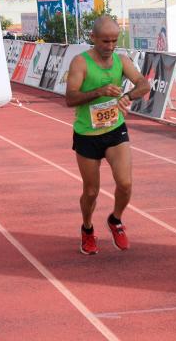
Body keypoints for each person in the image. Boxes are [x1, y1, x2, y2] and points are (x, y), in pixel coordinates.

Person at [66, 16, 150, 255]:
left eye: (114, 41)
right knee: (91, 191)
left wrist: (128, 96)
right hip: (87, 134)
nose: (110, 46)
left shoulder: (121, 61)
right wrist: (99, 91)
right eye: (105, 41)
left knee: (125, 183)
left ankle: (115, 220)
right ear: (93, 38)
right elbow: (70, 98)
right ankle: (88, 228)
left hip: (115, 129)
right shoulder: (80, 63)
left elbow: (144, 84)